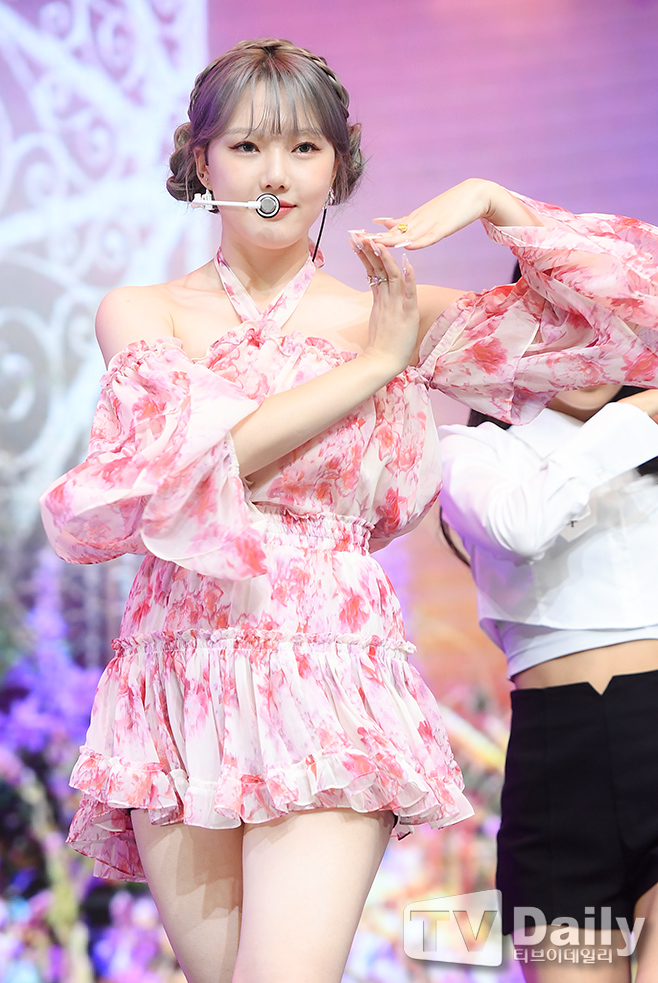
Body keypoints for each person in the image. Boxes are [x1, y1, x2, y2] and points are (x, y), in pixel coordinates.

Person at [39, 37, 658, 983]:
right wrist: (376, 363)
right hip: (177, 671)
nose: (275, 175)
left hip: (327, 665)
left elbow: (624, 330)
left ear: (338, 165)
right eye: (246, 147)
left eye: (304, 148)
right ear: (201, 163)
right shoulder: (142, 310)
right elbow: (192, 463)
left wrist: (493, 200)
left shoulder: (399, 310)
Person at [438, 385, 658, 982]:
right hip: (557, 771)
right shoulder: (471, 450)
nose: (583, 343)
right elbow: (518, 528)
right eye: (559, 332)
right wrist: (629, 417)